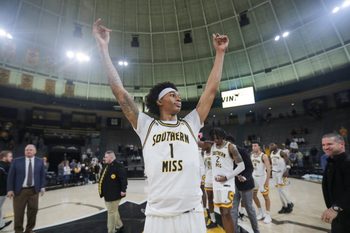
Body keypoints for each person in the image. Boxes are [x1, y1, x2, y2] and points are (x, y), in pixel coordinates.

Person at [93, 18, 228, 233]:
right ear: (159, 101)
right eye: (172, 95)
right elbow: (120, 93)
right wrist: (103, 48)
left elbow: (211, 91)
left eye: (179, 95)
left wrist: (220, 54)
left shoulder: (191, 123)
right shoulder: (147, 125)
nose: (178, 98)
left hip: (192, 213)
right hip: (158, 216)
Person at [209, 128, 245, 233]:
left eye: (218, 137)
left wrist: (227, 177)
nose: (215, 140)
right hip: (216, 184)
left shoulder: (231, 147)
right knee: (221, 212)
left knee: (226, 213)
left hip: (227, 184)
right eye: (214, 138)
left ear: (223, 136)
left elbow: (241, 166)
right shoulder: (212, 146)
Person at [7, 144, 46, 233]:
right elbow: (11, 176)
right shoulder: (16, 161)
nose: (28, 151)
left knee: (33, 211)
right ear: (24, 151)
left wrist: (42, 186)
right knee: (18, 212)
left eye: (31, 150)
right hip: (19, 191)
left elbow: (42, 176)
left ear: (35, 151)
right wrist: (10, 189)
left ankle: (29, 229)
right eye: (26, 150)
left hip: (34, 190)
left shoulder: (40, 161)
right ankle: (18, 230)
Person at [227, 136, 260, 233]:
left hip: (246, 184)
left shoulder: (243, 151)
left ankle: (256, 231)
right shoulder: (226, 153)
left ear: (232, 144)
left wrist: (244, 177)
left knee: (249, 209)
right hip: (234, 184)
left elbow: (250, 168)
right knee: (233, 210)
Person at [321, 133, 350, 233]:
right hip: (338, 214)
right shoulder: (331, 162)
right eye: (323, 145)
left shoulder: (347, 162)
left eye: (329, 144)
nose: (325, 147)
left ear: (341, 144)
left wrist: (335, 208)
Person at [99, 151, 127, 233]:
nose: (105, 158)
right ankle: (119, 225)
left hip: (115, 194)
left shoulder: (118, 166)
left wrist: (123, 190)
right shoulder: (106, 166)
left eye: (106, 157)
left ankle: (111, 231)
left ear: (111, 157)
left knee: (111, 212)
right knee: (114, 210)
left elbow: (123, 179)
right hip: (108, 194)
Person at [251, 142, 272, 224]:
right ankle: (261, 212)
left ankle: (268, 215)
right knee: (254, 195)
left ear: (259, 147)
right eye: (252, 145)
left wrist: (267, 180)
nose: (253, 147)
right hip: (254, 177)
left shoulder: (264, 156)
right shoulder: (252, 155)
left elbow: (268, 169)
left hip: (262, 178)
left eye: (255, 145)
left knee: (265, 196)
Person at [269, 143, 294, 214]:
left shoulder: (281, 152)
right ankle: (284, 206)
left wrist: (287, 170)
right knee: (279, 191)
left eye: (272, 145)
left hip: (282, 173)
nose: (270, 146)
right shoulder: (271, 153)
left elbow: (288, 161)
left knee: (282, 189)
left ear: (276, 146)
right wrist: (271, 172)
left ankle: (289, 203)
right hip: (275, 173)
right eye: (270, 145)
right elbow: (272, 164)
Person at [198, 139, 217, 229]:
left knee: (219, 200)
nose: (203, 145)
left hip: (217, 178)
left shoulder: (216, 151)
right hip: (208, 178)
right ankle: (213, 219)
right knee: (210, 199)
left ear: (210, 144)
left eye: (205, 144)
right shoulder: (203, 153)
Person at [0, 150, 13, 230]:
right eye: (10, 156)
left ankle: (1, 223)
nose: (12, 158)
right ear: (4, 157)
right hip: (1, 192)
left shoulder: (4, 166)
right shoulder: (5, 166)